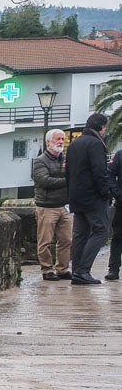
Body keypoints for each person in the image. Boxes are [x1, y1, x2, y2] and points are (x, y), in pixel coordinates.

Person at [66, 112, 112, 285]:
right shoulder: (95, 144)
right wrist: (106, 193)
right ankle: (83, 271)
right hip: (93, 197)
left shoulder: (74, 144)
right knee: (101, 231)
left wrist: (70, 195)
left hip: (77, 197)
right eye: (105, 127)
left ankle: (77, 270)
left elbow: (68, 172)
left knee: (80, 234)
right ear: (101, 127)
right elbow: (99, 172)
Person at [30, 129, 71, 280]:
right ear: (48, 142)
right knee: (45, 241)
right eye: (57, 139)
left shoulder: (66, 159)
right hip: (46, 206)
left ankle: (63, 269)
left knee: (66, 239)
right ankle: (47, 270)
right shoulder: (40, 160)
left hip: (64, 205)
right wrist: (67, 181)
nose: (61, 142)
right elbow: (44, 181)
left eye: (62, 139)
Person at [106, 145, 122, 281]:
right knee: (117, 238)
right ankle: (113, 269)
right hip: (121, 205)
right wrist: (118, 194)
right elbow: (109, 175)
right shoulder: (120, 155)